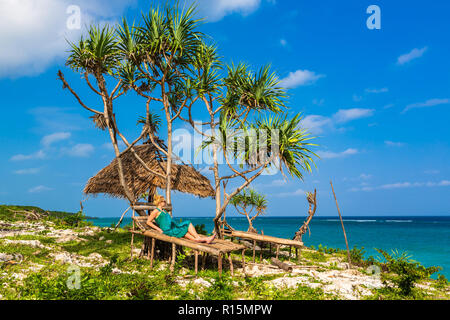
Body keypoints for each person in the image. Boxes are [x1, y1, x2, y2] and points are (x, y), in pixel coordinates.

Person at [146, 195, 216, 244]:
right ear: (159, 202)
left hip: (173, 227)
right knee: (188, 223)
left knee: (185, 231)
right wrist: (159, 229)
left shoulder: (163, 210)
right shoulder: (156, 211)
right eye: (163, 201)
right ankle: (199, 237)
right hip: (168, 230)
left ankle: (202, 239)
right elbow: (148, 222)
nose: (165, 202)